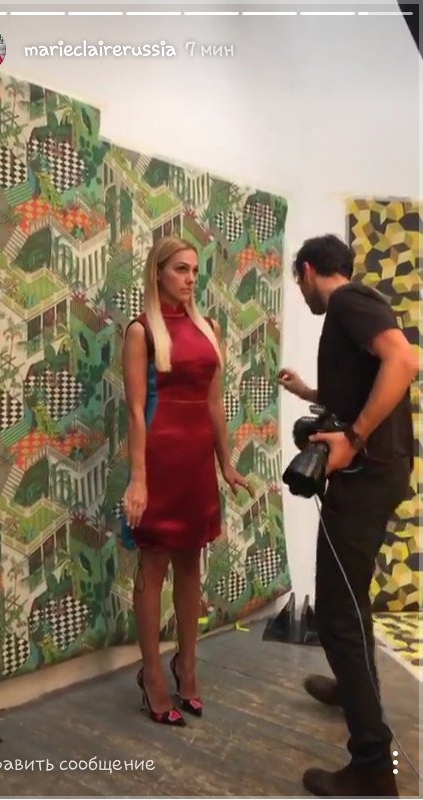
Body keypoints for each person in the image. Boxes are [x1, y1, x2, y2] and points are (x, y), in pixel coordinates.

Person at [279, 234, 417, 797]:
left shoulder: (347, 303)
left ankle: (372, 766)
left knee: (337, 614)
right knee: (351, 599)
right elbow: (363, 385)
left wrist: (353, 439)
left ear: (308, 270)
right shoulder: (359, 306)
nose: (302, 292)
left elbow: (404, 360)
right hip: (375, 475)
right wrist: (309, 391)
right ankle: (352, 687)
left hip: (364, 478)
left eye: (299, 282)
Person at [121, 235, 254, 726]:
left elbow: (215, 404)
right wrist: (139, 480)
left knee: (191, 564)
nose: (191, 278)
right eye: (180, 269)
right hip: (159, 459)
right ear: (158, 272)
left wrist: (226, 464)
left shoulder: (208, 327)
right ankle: (153, 674)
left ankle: (188, 667)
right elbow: (135, 412)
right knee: (153, 565)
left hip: (196, 463)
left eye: (195, 270)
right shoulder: (142, 331)